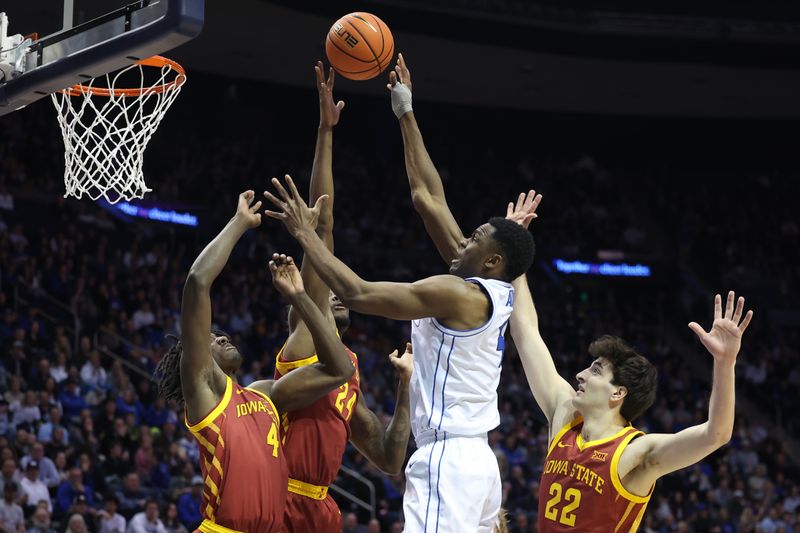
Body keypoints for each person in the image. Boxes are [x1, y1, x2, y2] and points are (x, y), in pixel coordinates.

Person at [264, 171, 536, 533]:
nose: (463, 242)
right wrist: (403, 112)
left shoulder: (459, 295)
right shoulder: (502, 294)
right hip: (478, 459)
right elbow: (427, 199)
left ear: (492, 261)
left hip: (448, 456)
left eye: (474, 239)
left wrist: (302, 232)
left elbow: (356, 292)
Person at [154, 191, 355, 533]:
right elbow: (197, 282)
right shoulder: (204, 395)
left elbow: (340, 370)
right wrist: (239, 223)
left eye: (221, 334)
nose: (221, 337)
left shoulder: (264, 396)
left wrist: (299, 296)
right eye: (211, 338)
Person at [275, 62, 414, 533]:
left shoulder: (347, 376)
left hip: (321, 510)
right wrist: (325, 131)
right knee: (321, 229)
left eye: (340, 294)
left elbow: (391, 459)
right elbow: (324, 220)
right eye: (325, 292)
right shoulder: (305, 342)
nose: (335, 293)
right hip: (281, 496)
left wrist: (403, 386)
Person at [510, 277, 754, 531]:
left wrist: (725, 363)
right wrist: (517, 257)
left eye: (595, 371)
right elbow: (525, 331)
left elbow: (717, 434)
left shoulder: (635, 451)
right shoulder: (564, 418)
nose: (580, 375)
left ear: (618, 393)